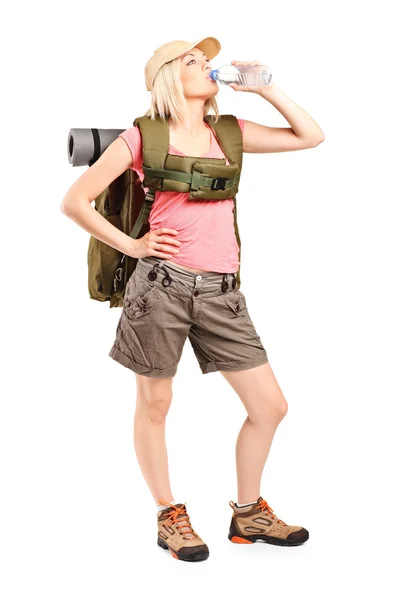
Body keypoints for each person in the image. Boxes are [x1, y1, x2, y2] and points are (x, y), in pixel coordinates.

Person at [61, 36, 324, 562]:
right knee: (156, 404)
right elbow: (74, 200)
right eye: (192, 61)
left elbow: (310, 136)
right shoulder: (141, 137)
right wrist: (133, 245)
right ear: (166, 77)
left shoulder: (231, 134)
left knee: (270, 407)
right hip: (162, 286)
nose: (208, 66)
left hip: (224, 291)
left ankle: (248, 513)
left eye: (207, 61)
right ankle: (169, 515)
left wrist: (268, 87)